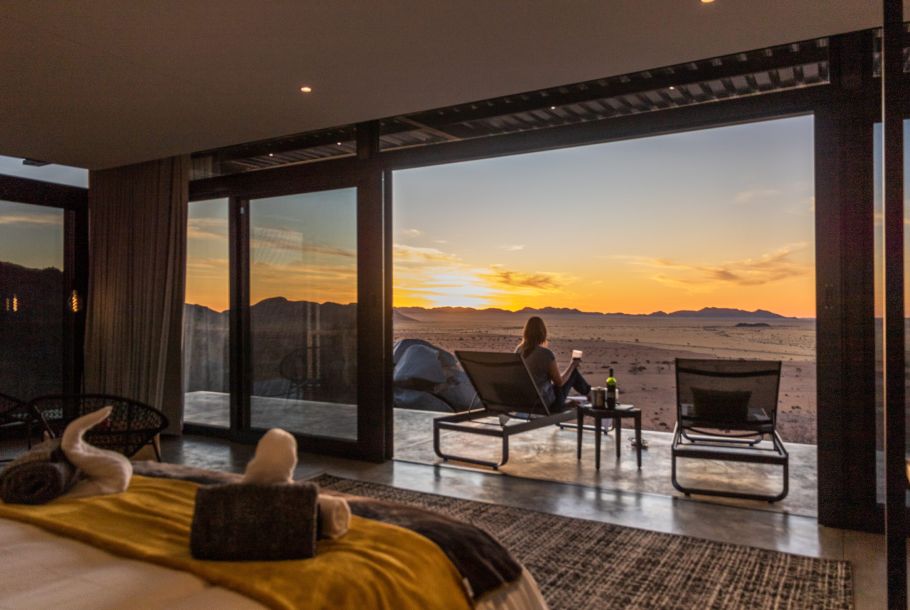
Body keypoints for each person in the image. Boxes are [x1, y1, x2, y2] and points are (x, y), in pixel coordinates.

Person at [516, 316, 591, 411]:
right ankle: (592, 395)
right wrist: (572, 365)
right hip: (546, 404)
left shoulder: (519, 350)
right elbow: (559, 383)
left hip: (526, 401)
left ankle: (579, 399)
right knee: (574, 373)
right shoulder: (545, 354)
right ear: (543, 333)